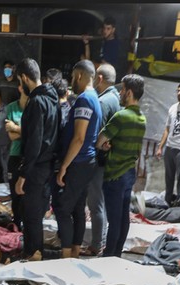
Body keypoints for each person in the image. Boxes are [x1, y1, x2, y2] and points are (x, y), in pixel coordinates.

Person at [53, 59, 102, 259]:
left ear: (80, 76)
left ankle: (66, 256)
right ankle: (73, 252)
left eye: (73, 77)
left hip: (78, 162)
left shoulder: (84, 100)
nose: (72, 81)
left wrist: (64, 165)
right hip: (87, 161)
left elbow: (79, 137)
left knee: (63, 208)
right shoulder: (95, 98)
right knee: (77, 209)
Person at [15, 58, 60, 260]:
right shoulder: (53, 99)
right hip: (48, 165)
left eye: (19, 80)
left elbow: (34, 141)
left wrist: (23, 174)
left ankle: (32, 254)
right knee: (36, 215)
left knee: (31, 215)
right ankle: (35, 253)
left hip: (36, 167)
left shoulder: (36, 102)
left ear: (25, 77)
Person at [98, 73, 146, 258]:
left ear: (129, 92)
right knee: (123, 216)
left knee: (114, 219)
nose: (119, 92)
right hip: (129, 173)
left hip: (115, 173)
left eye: (122, 89)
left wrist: (104, 144)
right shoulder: (141, 118)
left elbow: (99, 141)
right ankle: (116, 253)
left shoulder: (120, 116)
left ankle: (108, 255)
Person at [84, 63, 121, 256]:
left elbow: (96, 134)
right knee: (102, 202)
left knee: (95, 203)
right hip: (110, 159)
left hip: (98, 159)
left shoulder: (103, 101)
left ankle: (97, 244)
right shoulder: (116, 99)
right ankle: (102, 240)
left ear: (99, 78)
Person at [4, 84, 27, 235]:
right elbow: (11, 136)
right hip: (15, 155)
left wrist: (16, 127)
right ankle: (17, 222)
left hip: (29, 155)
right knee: (14, 192)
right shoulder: (11, 108)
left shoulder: (34, 106)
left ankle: (26, 222)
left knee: (26, 191)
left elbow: (36, 133)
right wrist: (26, 131)